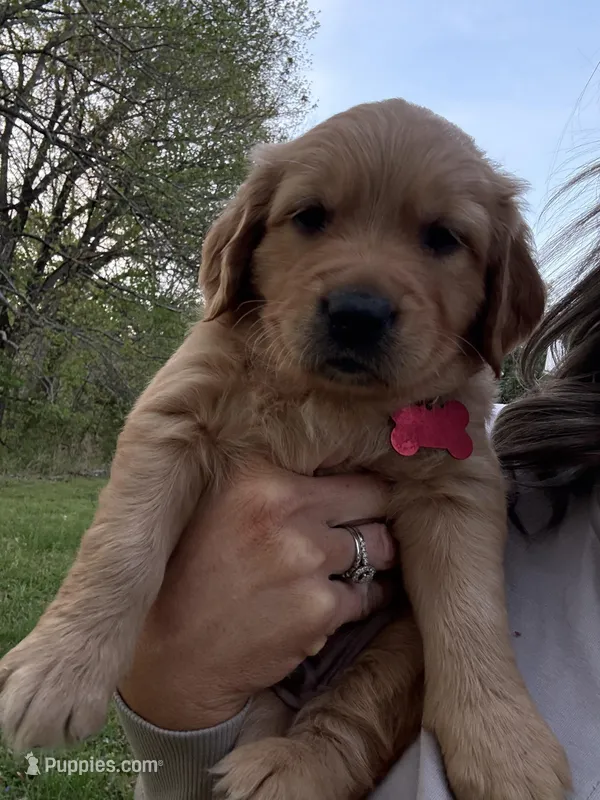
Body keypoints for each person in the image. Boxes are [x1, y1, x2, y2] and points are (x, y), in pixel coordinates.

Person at [116, 162, 600, 799]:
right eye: (313, 219)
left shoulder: (472, 440)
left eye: (440, 239)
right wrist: (171, 689)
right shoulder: (520, 458)